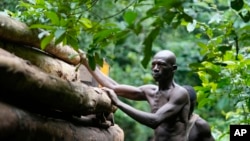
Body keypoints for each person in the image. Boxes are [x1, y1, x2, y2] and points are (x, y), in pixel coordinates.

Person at [81, 50, 190, 141]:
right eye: (153, 64)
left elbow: (154, 120)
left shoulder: (179, 93)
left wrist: (118, 103)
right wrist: (86, 62)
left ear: (173, 68)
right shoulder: (150, 91)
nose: (155, 68)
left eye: (161, 64)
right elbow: (114, 87)